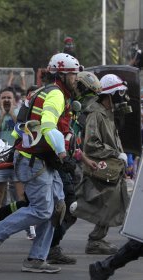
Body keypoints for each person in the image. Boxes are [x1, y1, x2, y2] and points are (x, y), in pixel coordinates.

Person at [0, 53, 83, 273]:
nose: (76, 79)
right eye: (73, 75)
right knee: (44, 210)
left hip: (42, 159)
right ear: (61, 75)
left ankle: (37, 258)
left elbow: (26, 126)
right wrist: (64, 156)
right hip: (35, 161)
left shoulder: (44, 91)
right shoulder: (55, 95)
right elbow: (47, 127)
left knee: (56, 208)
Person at [73, 74, 130, 255]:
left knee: (112, 202)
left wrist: (120, 160)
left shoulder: (107, 113)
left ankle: (97, 239)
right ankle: (53, 242)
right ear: (110, 95)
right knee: (83, 204)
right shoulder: (96, 114)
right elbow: (91, 144)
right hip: (98, 167)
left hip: (110, 168)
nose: (123, 97)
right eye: (119, 93)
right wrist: (115, 154)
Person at [0, 87, 24, 215]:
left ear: (14, 100)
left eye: (9, 98)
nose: (6, 100)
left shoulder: (20, 113)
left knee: (21, 197)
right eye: (3, 98)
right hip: (0, 159)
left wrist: (12, 114)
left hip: (17, 159)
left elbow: (23, 132)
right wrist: (1, 115)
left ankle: (29, 228)